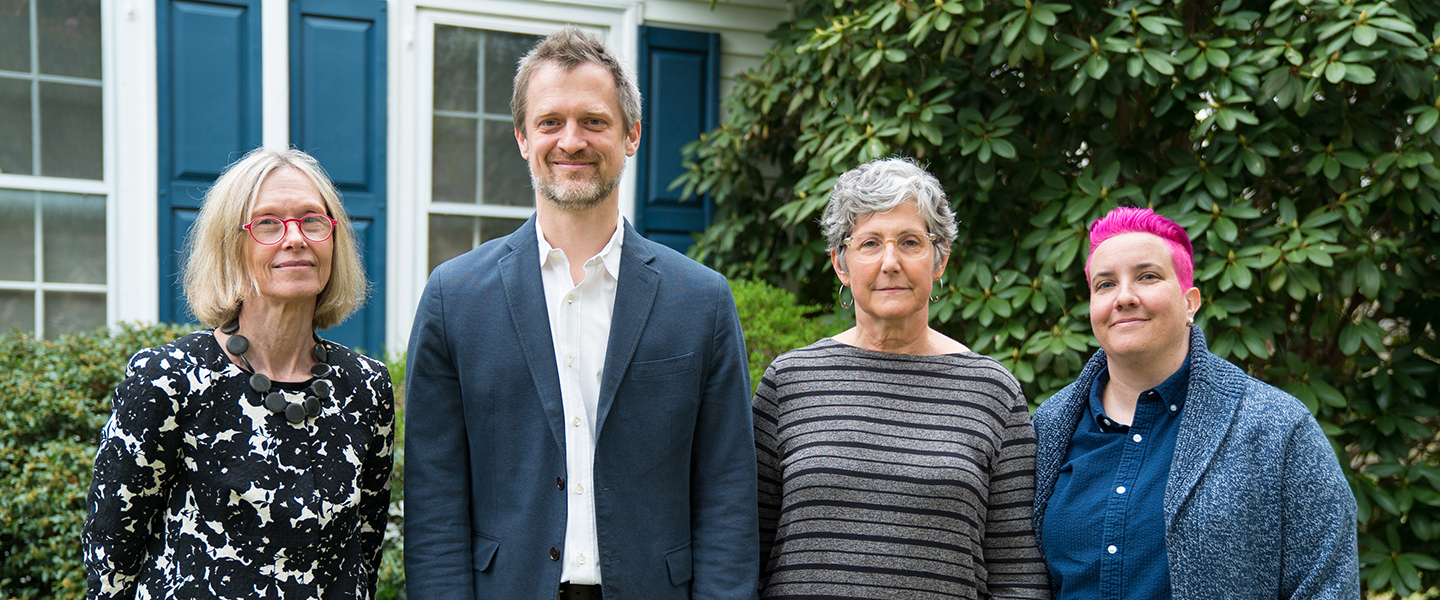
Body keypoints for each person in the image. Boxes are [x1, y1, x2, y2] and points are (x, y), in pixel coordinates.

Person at [403, 27, 755, 600]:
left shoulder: (702, 300)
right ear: (522, 137)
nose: (572, 140)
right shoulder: (455, 297)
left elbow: (727, 494)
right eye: (550, 122)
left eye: (594, 121)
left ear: (631, 135)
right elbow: (434, 501)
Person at [82, 147, 395, 598]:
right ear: (232, 246)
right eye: (267, 223)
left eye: (312, 220)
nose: (295, 238)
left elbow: (365, 550)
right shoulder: (168, 379)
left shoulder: (367, 386)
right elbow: (110, 555)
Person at [753, 157, 1051, 599]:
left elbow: (1019, 575)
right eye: (870, 243)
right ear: (841, 263)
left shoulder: (992, 390)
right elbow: (745, 552)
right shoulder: (789, 382)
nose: (890, 262)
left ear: (940, 259)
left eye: (910, 241)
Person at [1031, 206, 1359, 599]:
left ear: (1190, 302)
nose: (1124, 297)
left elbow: (1328, 587)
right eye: (1104, 285)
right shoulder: (1049, 427)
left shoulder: (1277, 427)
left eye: (1147, 276)